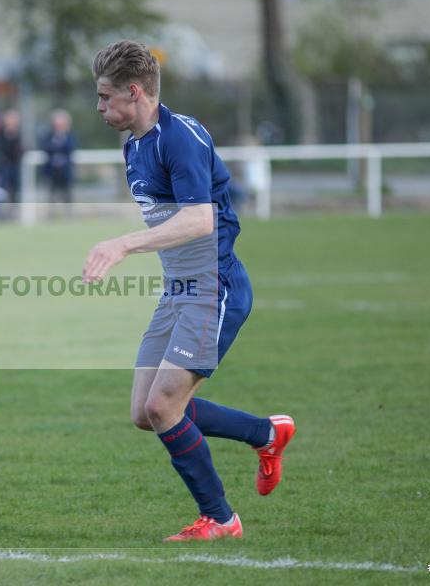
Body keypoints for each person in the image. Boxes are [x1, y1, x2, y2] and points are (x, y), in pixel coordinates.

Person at [83, 40, 295, 542]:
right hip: (178, 289)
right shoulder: (135, 143)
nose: (100, 108)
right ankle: (266, 433)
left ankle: (221, 518)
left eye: (106, 97)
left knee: (164, 408)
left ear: (135, 93)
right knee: (145, 412)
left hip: (213, 287)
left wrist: (124, 245)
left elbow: (201, 219)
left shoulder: (179, 139)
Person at [41, 109, 77, 205]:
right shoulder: (49, 136)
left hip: (65, 172)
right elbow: (45, 148)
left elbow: (71, 148)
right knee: (51, 197)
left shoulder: (70, 136)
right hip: (52, 172)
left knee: (67, 196)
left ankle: (68, 215)